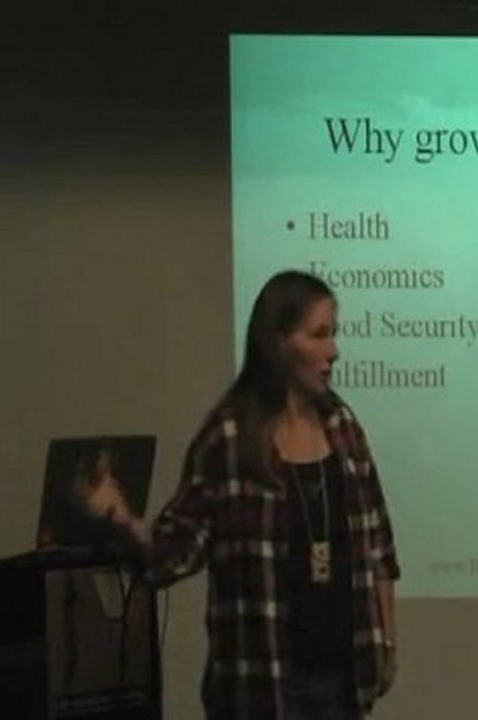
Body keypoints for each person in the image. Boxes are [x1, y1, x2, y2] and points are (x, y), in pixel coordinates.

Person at [93, 270, 400, 719]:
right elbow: (176, 553)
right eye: (318, 335)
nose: (333, 351)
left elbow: (379, 548)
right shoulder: (230, 439)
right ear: (278, 342)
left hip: (340, 680)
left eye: (333, 334)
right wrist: (120, 518)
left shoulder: (343, 429)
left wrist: (386, 641)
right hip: (260, 683)